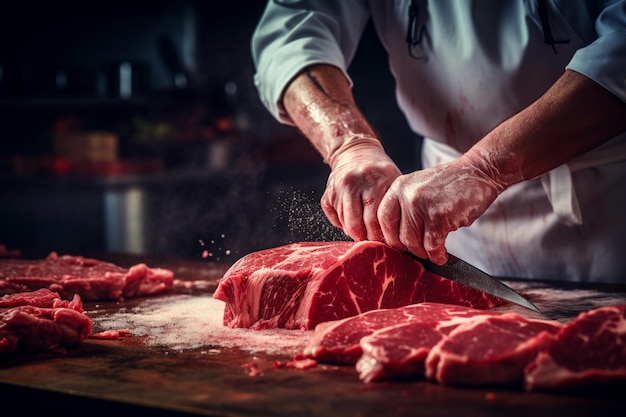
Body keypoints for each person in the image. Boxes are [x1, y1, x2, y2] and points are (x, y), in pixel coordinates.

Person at [251, 0, 626, 283]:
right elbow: (291, 29)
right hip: (451, 225)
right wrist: (349, 145)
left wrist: (485, 168)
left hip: (609, 205)